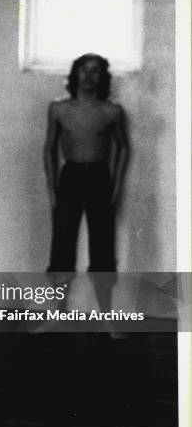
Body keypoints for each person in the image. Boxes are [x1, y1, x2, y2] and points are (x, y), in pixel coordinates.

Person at [44, 53, 130, 322]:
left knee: (103, 249)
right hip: (69, 178)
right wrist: (52, 188)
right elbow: (48, 149)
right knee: (62, 249)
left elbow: (123, 149)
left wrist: (115, 186)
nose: (89, 76)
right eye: (84, 70)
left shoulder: (112, 111)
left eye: (95, 71)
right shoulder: (59, 109)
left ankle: (106, 317)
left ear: (102, 77)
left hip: (99, 179)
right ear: (75, 74)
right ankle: (58, 315)